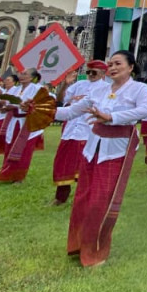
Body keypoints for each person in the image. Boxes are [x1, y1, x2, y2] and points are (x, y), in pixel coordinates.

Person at [53, 50, 147, 267]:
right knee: (83, 198)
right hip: (92, 148)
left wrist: (112, 117)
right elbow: (71, 112)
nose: (113, 67)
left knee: (101, 200)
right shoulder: (99, 90)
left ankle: (95, 250)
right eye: (110, 64)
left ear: (131, 67)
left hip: (116, 150)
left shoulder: (138, 88)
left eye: (117, 63)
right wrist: (40, 110)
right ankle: (77, 245)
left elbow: (146, 109)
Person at [51, 61, 107, 206]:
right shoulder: (78, 85)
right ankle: (60, 197)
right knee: (63, 164)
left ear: (103, 73)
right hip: (70, 131)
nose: (90, 75)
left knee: (87, 167)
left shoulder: (107, 89)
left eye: (94, 72)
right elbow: (61, 100)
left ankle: (86, 198)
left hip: (88, 133)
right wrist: (66, 84)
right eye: (88, 72)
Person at [0, 68, 44, 183]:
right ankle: (7, 172)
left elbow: (41, 104)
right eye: (21, 74)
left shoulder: (38, 89)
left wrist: (19, 106)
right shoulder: (15, 90)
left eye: (25, 74)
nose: (22, 76)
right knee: (10, 145)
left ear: (32, 77)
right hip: (13, 121)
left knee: (24, 149)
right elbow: (6, 102)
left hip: (27, 123)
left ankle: (18, 176)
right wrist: (2, 105)